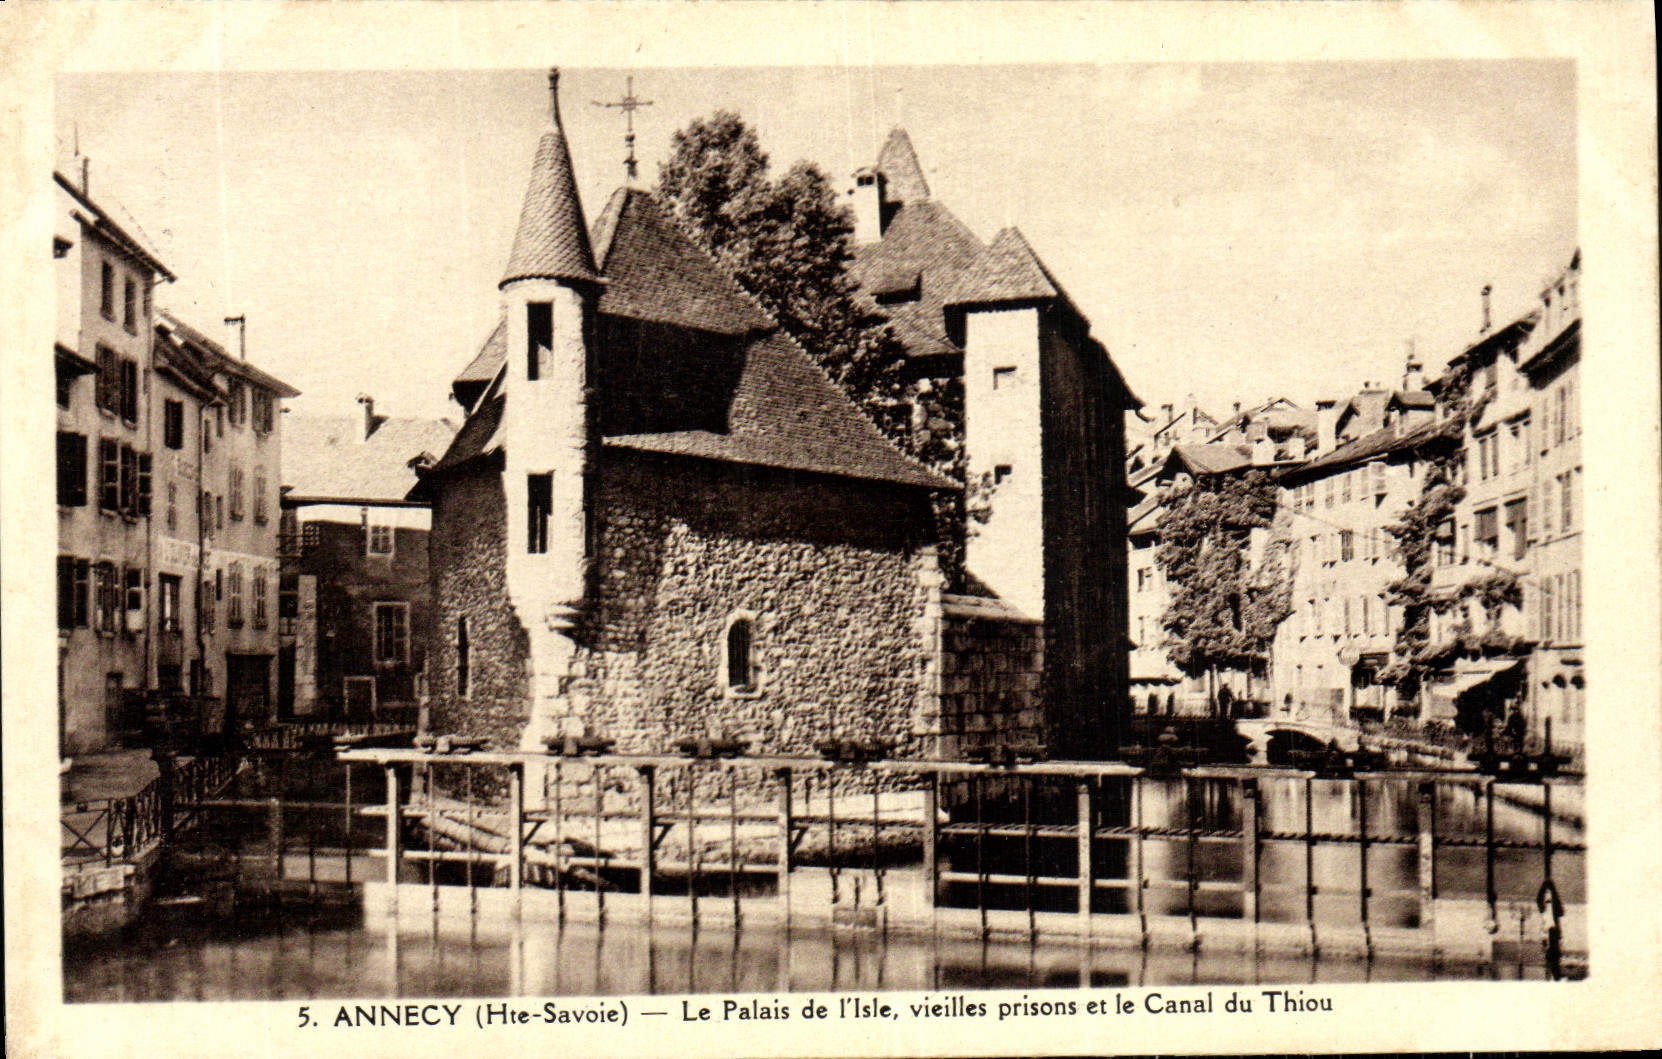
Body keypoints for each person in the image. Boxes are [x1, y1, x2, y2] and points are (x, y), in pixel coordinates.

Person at [1536, 877, 1565, 979]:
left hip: (1550, 927)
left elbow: (1560, 912)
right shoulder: (1546, 903)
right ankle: (1548, 885)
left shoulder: (1550, 904)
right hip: (1551, 927)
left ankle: (1546, 885)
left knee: (1544, 906)